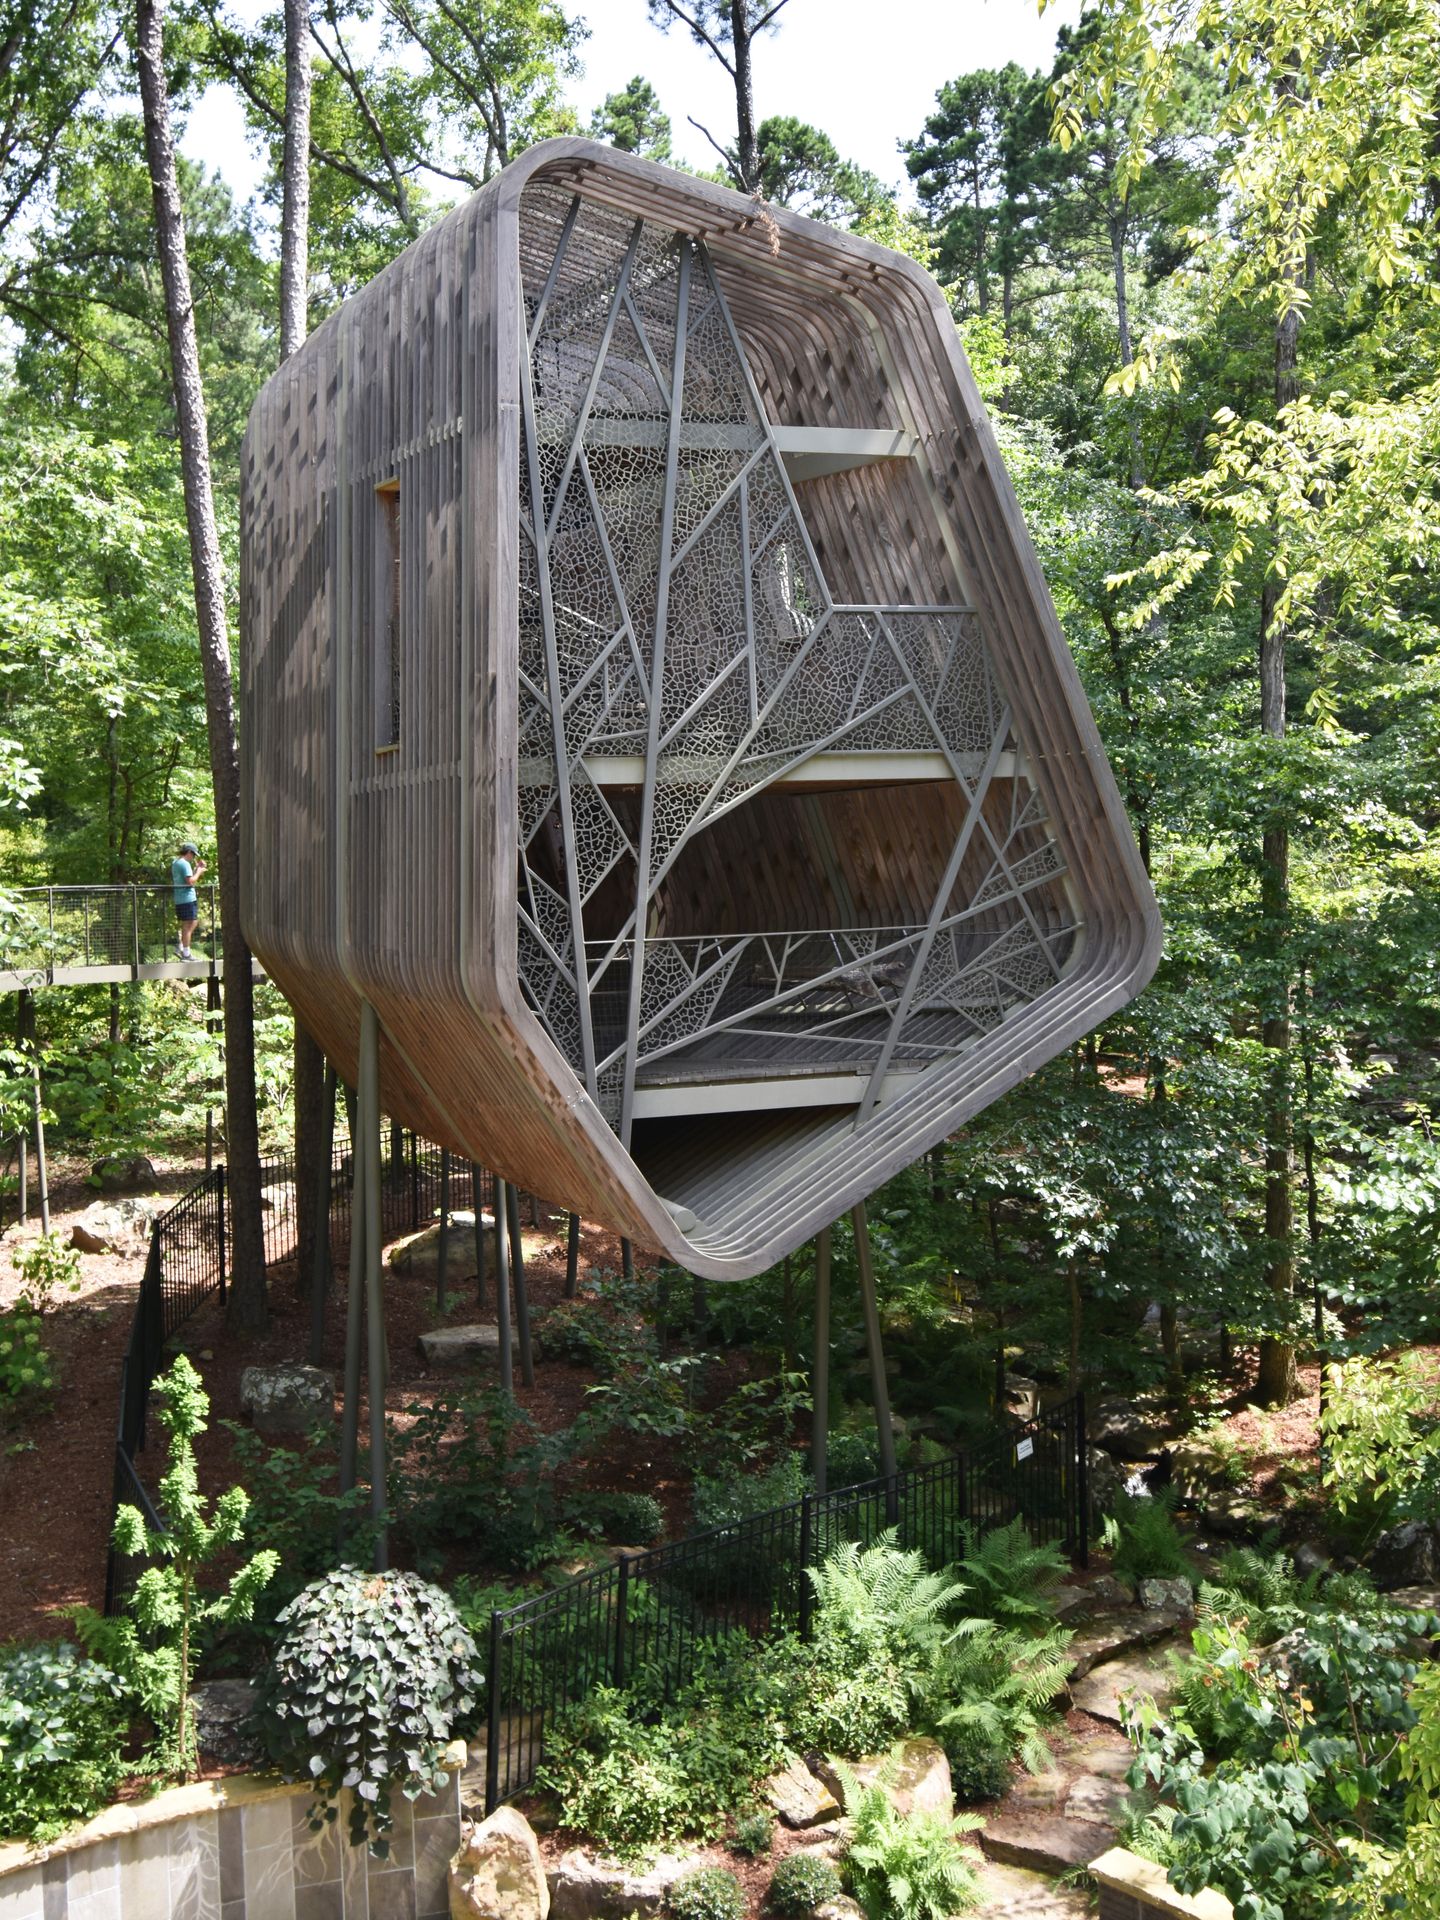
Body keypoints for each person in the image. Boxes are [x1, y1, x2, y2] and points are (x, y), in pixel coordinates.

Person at [171, 840, 207, 960]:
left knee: (191, 923)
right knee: (189, 924)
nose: (194, 858)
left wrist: (197, 869)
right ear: (189, 852)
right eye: (194, 855)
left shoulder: (176, 862)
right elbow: (190, 881)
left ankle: (181, 947)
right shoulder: (184, 864)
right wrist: (199, 871)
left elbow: (187, 878)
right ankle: (186, 953)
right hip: (187, 898)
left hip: (180, 898)